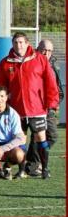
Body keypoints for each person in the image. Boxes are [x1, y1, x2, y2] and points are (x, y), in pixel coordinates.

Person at [0, 32, 59, 179]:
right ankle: (22, 170)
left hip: (37, 108)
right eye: (16, 42)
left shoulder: (40, 59)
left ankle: (44, 169)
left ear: (27, 43)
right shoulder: (6, 62)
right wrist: (3, 106)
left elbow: (50, 82)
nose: (19, 45)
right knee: (20, 141)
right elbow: (1, 87)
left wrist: (52, 102)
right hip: (16, 110)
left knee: (41, 138)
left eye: (21, 42)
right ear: (12, 44)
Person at [32, 39, 63, 176]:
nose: (46, 53)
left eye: (49, 51)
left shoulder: (52, 67)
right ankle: (33, 165)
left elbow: (59, 91)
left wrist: (54, 104)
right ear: (37, 48)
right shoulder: (31, 63)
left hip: (48, 109)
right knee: (35, 136)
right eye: (44, 49)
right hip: (33, 108)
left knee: (53, 136)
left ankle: (34, 161)